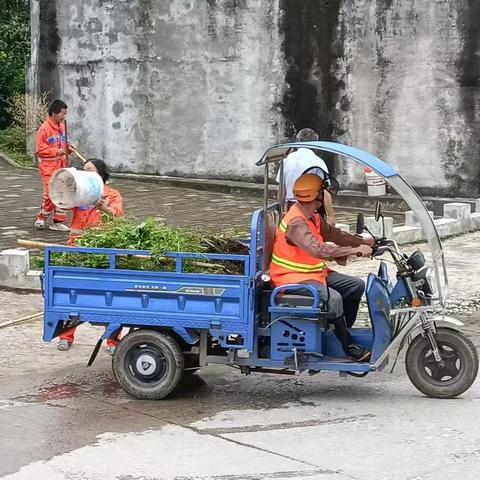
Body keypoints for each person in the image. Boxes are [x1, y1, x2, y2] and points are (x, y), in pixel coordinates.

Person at [269, 173, 373, 361]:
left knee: (356, 285)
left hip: (313, 274)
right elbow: (318, 250)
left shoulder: (313, 216)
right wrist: (354, 250)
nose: (328, 195)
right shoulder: (297, 222)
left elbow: (333, 234)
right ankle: (347, 345)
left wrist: (366, 242)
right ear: (317, 196)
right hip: (290, 278)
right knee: (333, 299)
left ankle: (337, 330)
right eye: (324, 192)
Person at [57, 158, 124, 353]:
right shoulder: (80, 192)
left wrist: (103, 207)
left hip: (101, 250)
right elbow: (63, 203)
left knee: (108, 295)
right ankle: (65, 337)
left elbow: (118, 217)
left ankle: (112, 341)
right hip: (77, 247)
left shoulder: (112, 195)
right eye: (82, 171)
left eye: (89, 171)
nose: (83, 174)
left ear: (100, 175)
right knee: (72, 294)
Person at [277, 127, 336, 225]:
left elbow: (282, 189)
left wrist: (281, 210)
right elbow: (325, 191)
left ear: (297, 140)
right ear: (316, 144)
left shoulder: (286, 160)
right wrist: (331, 216)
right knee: (311, 234)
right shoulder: (318, 161)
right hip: (311, 207)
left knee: (292, 234)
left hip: (291, 206)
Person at [34, 99, 73, 231]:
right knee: (51, 193)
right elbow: (39, 150)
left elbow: (63, 146)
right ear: (54, 113)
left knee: (63, 193)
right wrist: (56, 151)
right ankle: (41, 217)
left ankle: (58, 221)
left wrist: (68, 149)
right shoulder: (44, 129)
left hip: (61, 166)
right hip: (48, 169)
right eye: (63, 114)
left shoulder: (61, 127)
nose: (64, 116)